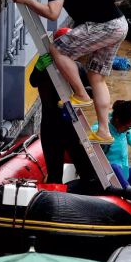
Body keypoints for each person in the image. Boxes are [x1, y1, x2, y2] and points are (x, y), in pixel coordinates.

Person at [11, 0, 129, 144]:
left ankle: (81, 94)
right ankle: (104, 132)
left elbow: (52, 13)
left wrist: (26, 0)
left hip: (104, 26)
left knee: (57, 49)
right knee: (96, 76)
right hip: (119, 23)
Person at [29, 27, 97, 185]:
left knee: (85, 168)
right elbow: (33, 81)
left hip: (72, 125)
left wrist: (82, 91)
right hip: (50, 126)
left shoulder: (77, 67)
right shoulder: (46, 66)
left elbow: (89, 92)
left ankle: (86, 197)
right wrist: (38, 68)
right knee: (54, 172)